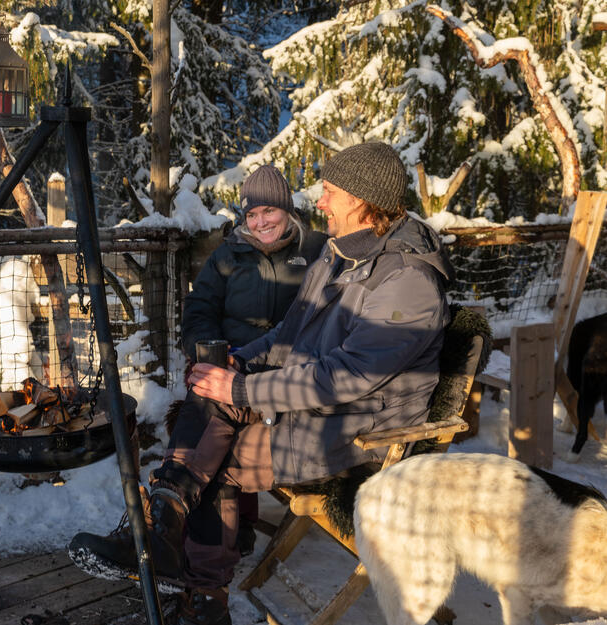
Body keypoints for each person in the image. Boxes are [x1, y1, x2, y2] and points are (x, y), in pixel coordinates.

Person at [68, 141, 454, 625]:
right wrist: (236, 365)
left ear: (359, 198)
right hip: (312, 406)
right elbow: (289, 333)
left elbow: (350, 376)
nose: (321, 201)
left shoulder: (407, 281)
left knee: (219, 453)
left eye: (330, 191)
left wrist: (242, 389)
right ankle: (164, 527)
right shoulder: (339, 256)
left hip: (358, 431)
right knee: (210, 396)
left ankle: (196, 584)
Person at [180, 164, 326, 555]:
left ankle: (195, 529)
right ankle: (220, 527)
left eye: (270, 212)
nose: (261, 222)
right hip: (234, 362)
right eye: (252, 214)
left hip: (286, 374)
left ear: (288, 211)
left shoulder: (315, 252)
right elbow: (199, 306)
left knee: (212, 422)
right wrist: (205, 349)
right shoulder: (229, 254)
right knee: (209, 401)